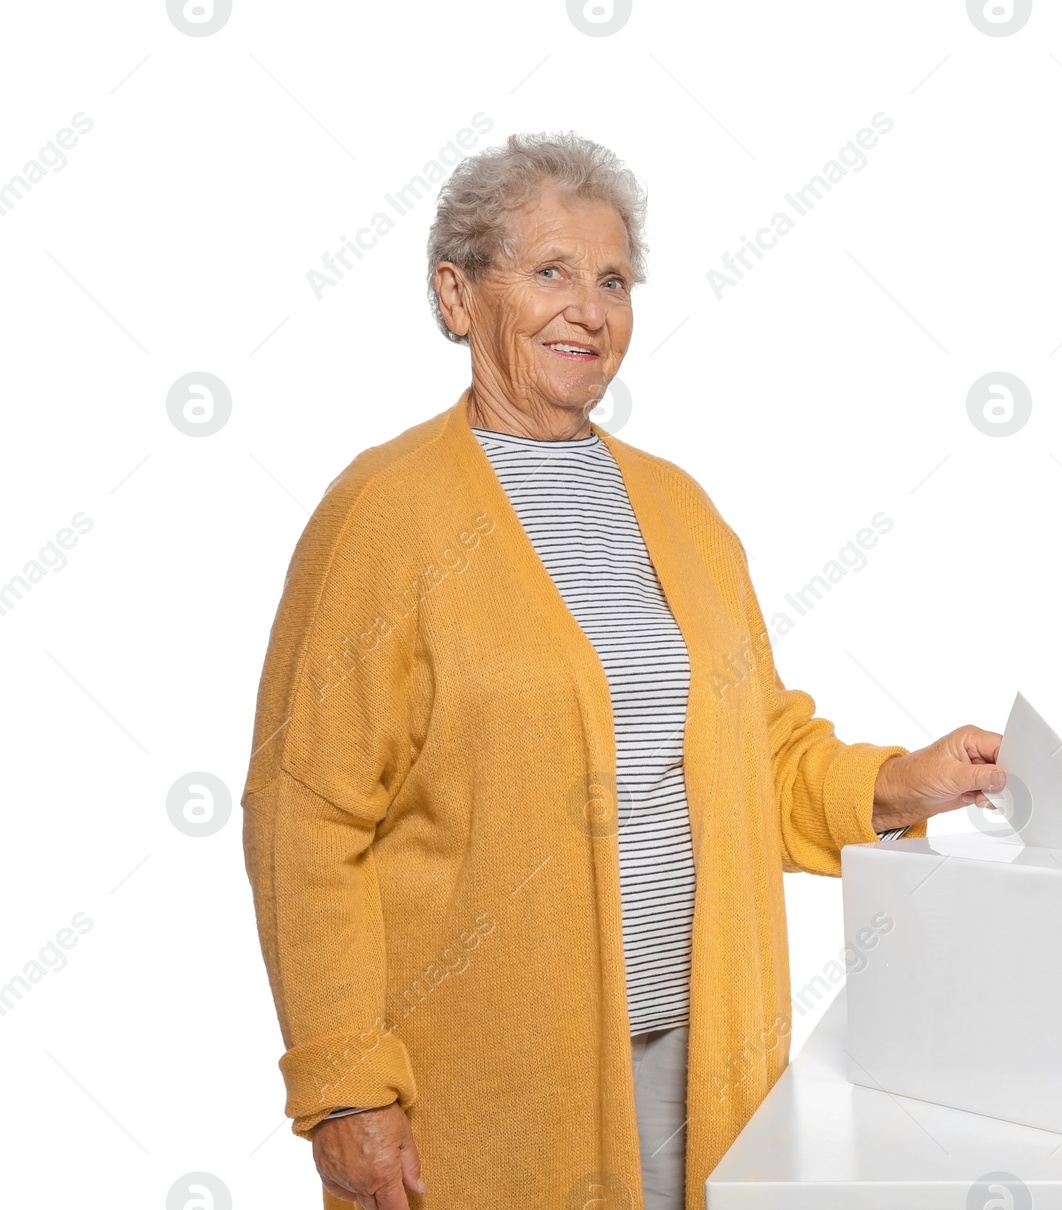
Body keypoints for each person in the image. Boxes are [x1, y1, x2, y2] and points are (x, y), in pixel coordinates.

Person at [241, 130, 1005, 1210]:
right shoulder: (384, 515)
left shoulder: (680, 511)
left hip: (700, 1065)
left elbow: (756, 751)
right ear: (457, 296)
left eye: (612, 279)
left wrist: (894, 784)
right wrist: (342, 1086)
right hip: (480, 1090)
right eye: (549, 271)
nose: (588, 309)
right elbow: (301, 816)